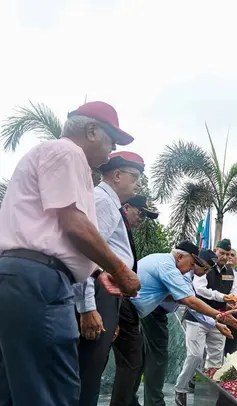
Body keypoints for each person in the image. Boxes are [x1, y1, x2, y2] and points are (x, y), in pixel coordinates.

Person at [0, 101, 141, 406]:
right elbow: (75, 226)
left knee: (18, 389)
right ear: (91, 131)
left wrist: (97, 271)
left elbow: (55, 233)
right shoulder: (69, 153)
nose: (110, 151)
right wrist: (120, 270)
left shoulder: (48, 154)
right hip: (41, 282)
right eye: (111, 141)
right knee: (52, 391)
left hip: (22, 278)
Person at [131, 241, 237, 406]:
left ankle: (132, 400)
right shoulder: (174, 270)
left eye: (208, 270)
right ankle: (155, 402)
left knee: (140, 358)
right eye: (200, 267)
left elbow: (189, 303)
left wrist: (216, 322)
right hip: (150, 312)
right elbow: (192, 303)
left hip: (146, 311)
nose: (202, 272)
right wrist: (220, 316)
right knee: (158, 358)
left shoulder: (177, 268)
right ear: (183, 257)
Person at [74, 151, 145, 406]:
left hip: (107, 292)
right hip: (97, 289)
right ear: (117, 175)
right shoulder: (103, 200)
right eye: (134, 177)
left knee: (96, 363)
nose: (138, 184)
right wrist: (89, 307)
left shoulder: (110, 203)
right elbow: (85, 253)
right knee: (89, 367)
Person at [110, 194, 158, 406]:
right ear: (126, 207)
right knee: (129, 360)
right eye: (140, 212)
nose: (141, 218)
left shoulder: (124, 230)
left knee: (134, 360)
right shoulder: (111, 222)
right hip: (112, 301)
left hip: (120, 303)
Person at [174, 239, 237, 401]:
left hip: (220, 317)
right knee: (195, 355)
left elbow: (233, 290)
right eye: (222, 253)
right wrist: (222, 297)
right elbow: (200, 291)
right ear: (215, 250)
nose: (225, 257)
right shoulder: (203, 265)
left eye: (228, 254)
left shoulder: (230, 272)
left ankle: (209, 393)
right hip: (198, 318)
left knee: (216, 358)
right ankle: (181, 388)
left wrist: (232, 301)